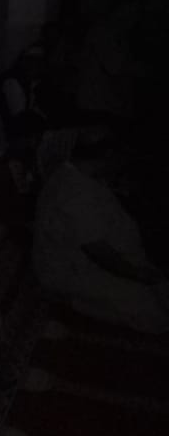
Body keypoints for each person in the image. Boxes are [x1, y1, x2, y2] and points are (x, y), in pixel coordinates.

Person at [34, 134, 169, 334]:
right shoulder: (74, 192)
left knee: (162, 290)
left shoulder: (80, 175)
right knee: (153, 315)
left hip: (99, 260)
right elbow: (98, 252)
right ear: (109, 155)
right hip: (73, 270)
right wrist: (137, 274)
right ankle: (73, 304)